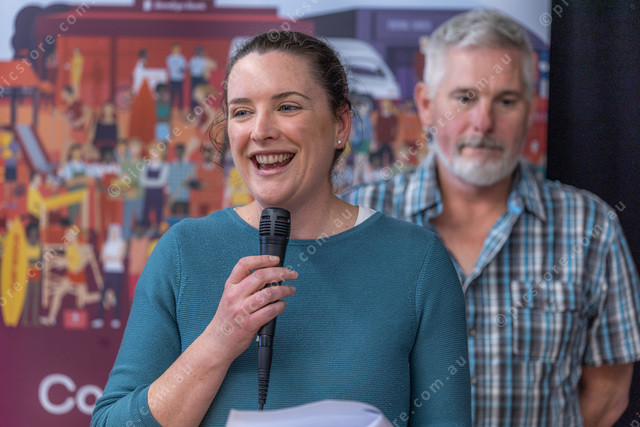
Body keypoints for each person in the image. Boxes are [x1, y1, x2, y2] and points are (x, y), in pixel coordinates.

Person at [92, 31, 470, 426]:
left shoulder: (417, 261)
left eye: (287, 107)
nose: (261, 131)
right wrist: (217, 342)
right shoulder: (183, 252)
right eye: (242, 112)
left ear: (341, 124)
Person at [343, 9, 640, 426]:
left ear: (530, 107)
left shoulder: (591, 227)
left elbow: (608, 394)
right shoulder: (358, 219)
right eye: (465, 98)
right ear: (426, 105)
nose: (483, 123)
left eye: (506, 101)